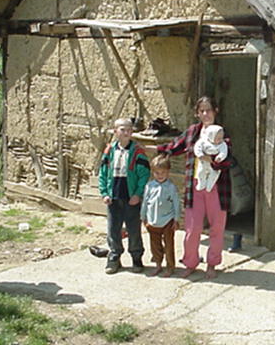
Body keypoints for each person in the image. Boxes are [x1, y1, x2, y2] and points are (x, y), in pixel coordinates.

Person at [157, 96, 232, 279]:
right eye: (202, 111)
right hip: (195, 186)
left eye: (209, 110)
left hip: (216, 187)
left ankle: (212, 263)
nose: (206, 114)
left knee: (216, 227)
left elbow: (227, 160)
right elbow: (175, 147)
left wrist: (212, 161)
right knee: (192, 227)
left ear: (216, 111)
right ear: (197, 113)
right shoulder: (192, 132)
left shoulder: (222, 134)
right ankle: (190, 262)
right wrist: (158, 150)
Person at [98, 118, 149, 274]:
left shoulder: (138, 152)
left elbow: (144, 174)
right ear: (115, 131)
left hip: (131, 197)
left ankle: (136, 257)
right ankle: (114, 257)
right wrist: (104, 193)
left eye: (129, 130)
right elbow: (103, 173)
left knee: (134, 229)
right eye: (122, 129)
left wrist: (138, 194)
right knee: (113, 229)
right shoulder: (109, 151)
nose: (126, 133)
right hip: (114, 196)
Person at [141, 154, 180, 277]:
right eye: (157, 172)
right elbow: (145, 202)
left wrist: (176, 219)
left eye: (163, 172)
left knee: (169, 245)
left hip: (167, 220)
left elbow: (176, 203)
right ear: (153, 173)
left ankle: (170, 267)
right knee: (155, 245)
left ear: (168, 172)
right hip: (153, 220)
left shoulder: (171, 187)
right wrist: (143, 217)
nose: (160, 175)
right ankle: (158, 264)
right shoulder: (149, 186)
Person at [193, 124, 228, 192]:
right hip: (203, 161)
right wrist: (200, 155)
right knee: (200, 173)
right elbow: (197, 148)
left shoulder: (222, 144)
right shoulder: (203, 141)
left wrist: (220, 157)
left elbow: (224, 151)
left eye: (221, 138)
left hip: (214, 163)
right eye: (218, 138)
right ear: (211, 136)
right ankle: (201, 183)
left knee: (214, 175)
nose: (220, 140)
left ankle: (209, 186)